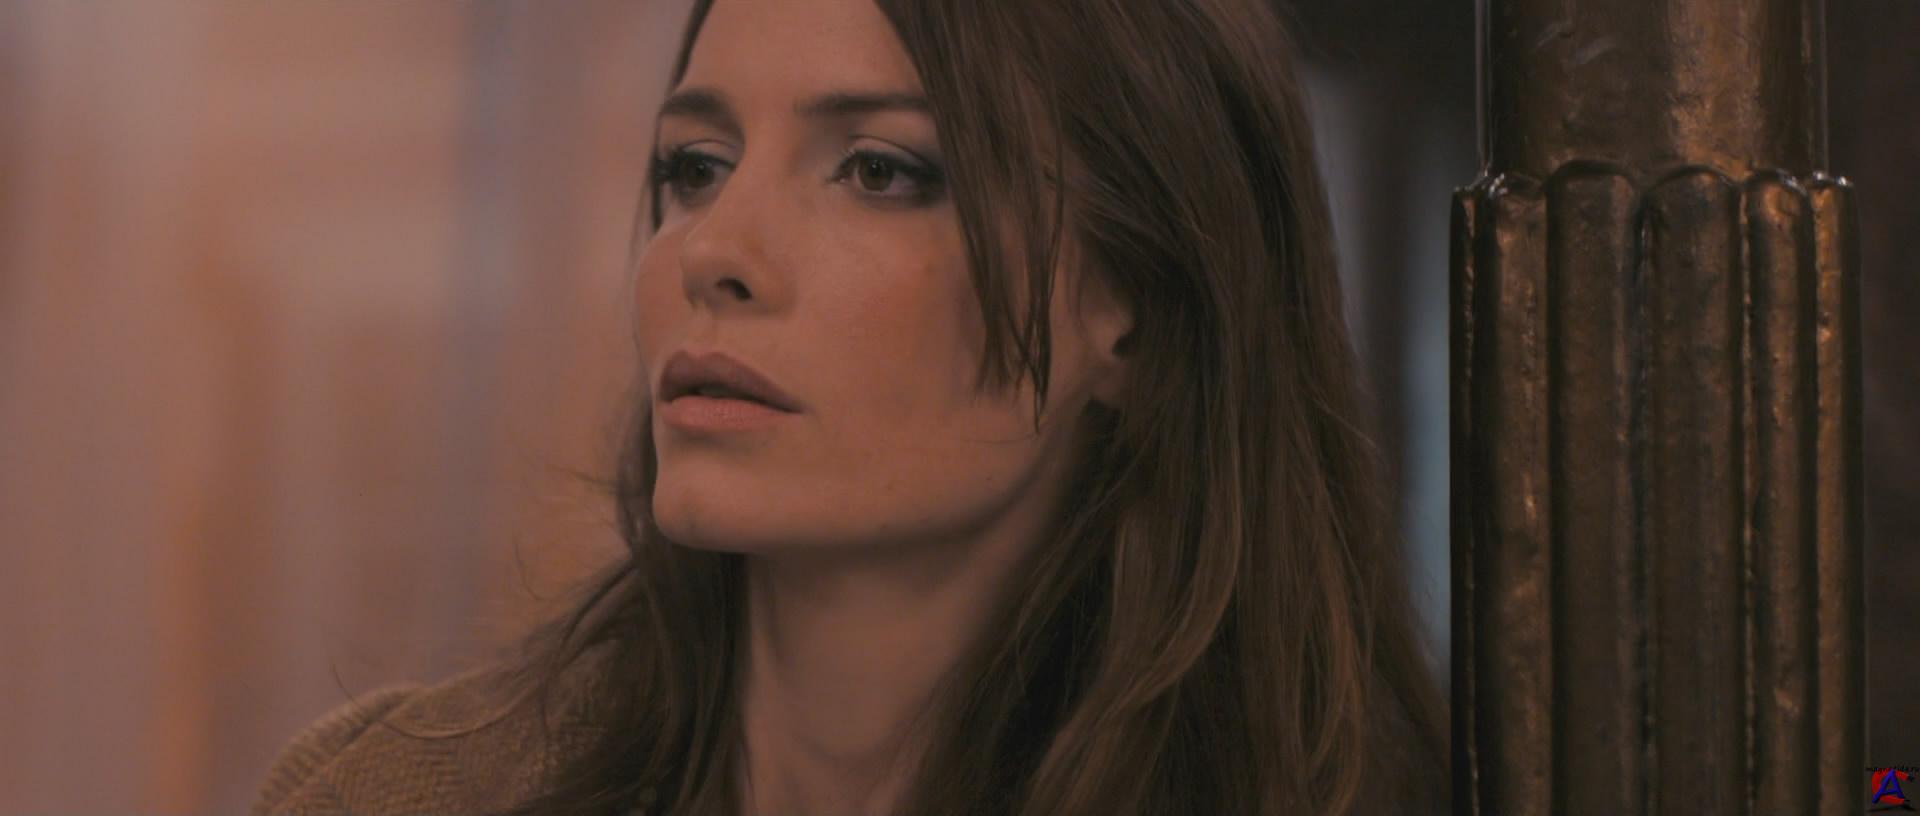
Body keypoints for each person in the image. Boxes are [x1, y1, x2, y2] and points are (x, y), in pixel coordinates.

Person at [249, 0, 1448, 814]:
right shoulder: (396, 792)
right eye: (695, 167)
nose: (713, 249)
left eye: (878, 170)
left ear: (1131, 303)